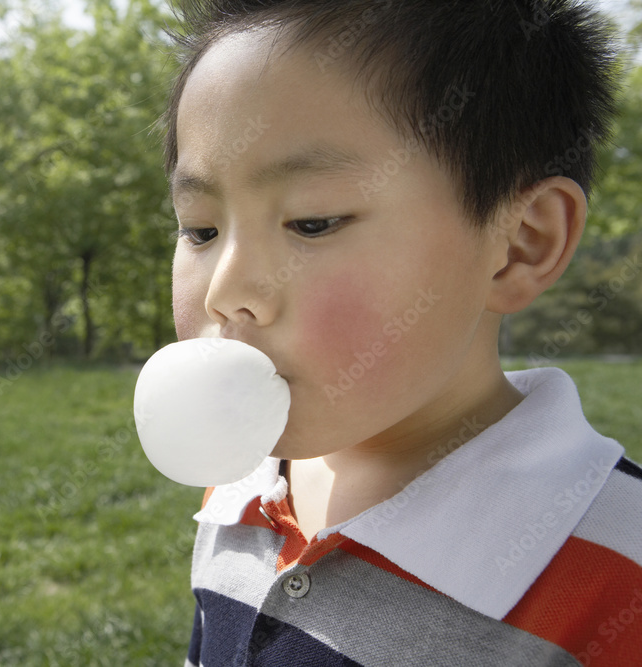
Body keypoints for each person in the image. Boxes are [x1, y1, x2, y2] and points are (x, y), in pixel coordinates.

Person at [161, 0, 642, 664]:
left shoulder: (620, 573)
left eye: (312, 221)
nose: (225, 290)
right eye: (202, 229)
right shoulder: (238, 486)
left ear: (519, 245)